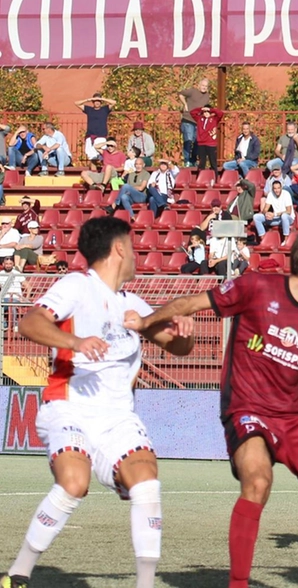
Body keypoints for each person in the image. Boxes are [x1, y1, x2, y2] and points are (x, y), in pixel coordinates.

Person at [130, 229, 298, 588]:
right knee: (258, 481)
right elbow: (190, 303)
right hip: (246, 410)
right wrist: (145, 322)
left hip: (292, 418)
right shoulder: (255, 287)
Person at [3, 216, 196, 588]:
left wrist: (184, 331)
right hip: (68, 406)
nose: (138, 255)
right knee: (74, 482)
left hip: (118, 419)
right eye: (134, 246)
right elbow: (30, 323)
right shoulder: (77, 286)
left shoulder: (135, 305)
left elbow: (179, 348)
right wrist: (76, 343)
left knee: (146, 484)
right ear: (119, 248)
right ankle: (18, 574)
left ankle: (145, 584)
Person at [178, 78, 212, 167]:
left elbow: (206, 107)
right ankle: (187, 160)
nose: (204, 87)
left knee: (197, 142)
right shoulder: (192, 91)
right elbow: (180, 94)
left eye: (206, 86)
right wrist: (185, 104)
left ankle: (193, 160)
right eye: (203, 85)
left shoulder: (207, 96)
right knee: (188, 140)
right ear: (199, 85)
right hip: (188, 119)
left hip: (199, 121)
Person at [194, 103, 224, 171]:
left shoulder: (214, 119)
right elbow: (192, 112)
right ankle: (200, 178)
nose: (206, 113)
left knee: (213, 162)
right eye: (205, 112)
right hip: (201, 143)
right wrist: (201, 109)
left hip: (211, 143)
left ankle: (215, 178)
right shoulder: (199, 119)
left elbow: (220, 113)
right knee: (201, 163)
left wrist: (211, 109)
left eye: (208, 112)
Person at [0, 255, 25, 333]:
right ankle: (3, 324)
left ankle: (15, 324)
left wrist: (24, 297)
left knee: (12, 304)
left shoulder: (17, 273)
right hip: (4, 298)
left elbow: (28, 286)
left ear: (13, 264)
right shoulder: (1, 274)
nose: (8, 265)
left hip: (15, 297)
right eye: (6, 263)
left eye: (10, 263)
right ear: (3, 264)